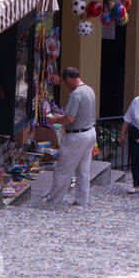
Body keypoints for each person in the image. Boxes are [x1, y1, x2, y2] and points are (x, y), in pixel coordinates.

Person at [42, 68, 97, 209]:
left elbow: (70, 118)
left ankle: (54, 201)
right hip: (90, 132)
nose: (67, 86)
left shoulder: (76, 94)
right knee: (83, 171)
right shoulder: (89, 90)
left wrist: (56, 119)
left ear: (69, 79)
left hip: (76, 136)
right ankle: (81, 201)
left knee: (62, 170)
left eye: (66, 82)